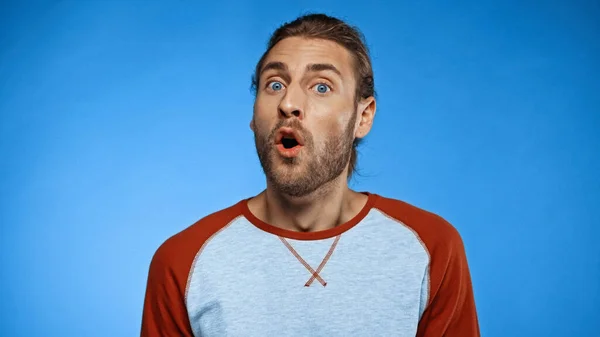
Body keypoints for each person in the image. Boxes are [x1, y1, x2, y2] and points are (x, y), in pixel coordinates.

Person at [141, 13, 480, 337]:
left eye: (321, 87)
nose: (288, 103)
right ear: (253, 116)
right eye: (274, 84)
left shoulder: (431, 248)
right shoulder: (182, 261)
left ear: (362, 117)